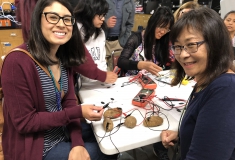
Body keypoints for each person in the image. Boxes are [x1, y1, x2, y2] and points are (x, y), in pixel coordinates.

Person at [1, 0, 116, 159]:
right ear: (37, 19)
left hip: (61, 129)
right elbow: (25, 122)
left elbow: (68, 102)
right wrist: (78, 111)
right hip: (37, 145)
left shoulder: (62, 57)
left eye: (67, 19)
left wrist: (77, 143)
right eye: (53, 17)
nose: (62, 24)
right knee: (105, 153)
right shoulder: (16, 61)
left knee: (109, 139)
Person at [160, 7, 235, 159]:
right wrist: (184, 134)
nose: (183, 54)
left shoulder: (226, 91)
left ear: (215, 44)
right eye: (178, 46)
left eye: (191, 45)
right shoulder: (206, 80)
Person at [117, 6, 174, 76]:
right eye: (161, 26)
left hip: (154, 79)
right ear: (153, 23)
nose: (163, 31)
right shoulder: (136, 38)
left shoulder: (163, 40)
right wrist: (141, 64)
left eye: (167, 29)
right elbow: (121, 61)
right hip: (133, 79)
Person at [73, 0, 109, 82]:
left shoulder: (100, 32)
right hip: (82, 84)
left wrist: (105, 76)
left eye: (104, 15)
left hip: (100, 81)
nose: (103, 19)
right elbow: (77, 63)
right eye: (100, 15)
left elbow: (102, 60)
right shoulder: (76, 30)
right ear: (89, 13)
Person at [105, 0, 135, 71]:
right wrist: (105, 23)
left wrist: (125, 41)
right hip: (103, 42)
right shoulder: (103, 1)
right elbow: (93, 19)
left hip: (119, 43)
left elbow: (130, 24)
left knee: (117, 73)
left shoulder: (130, 2)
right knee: (103, 74)